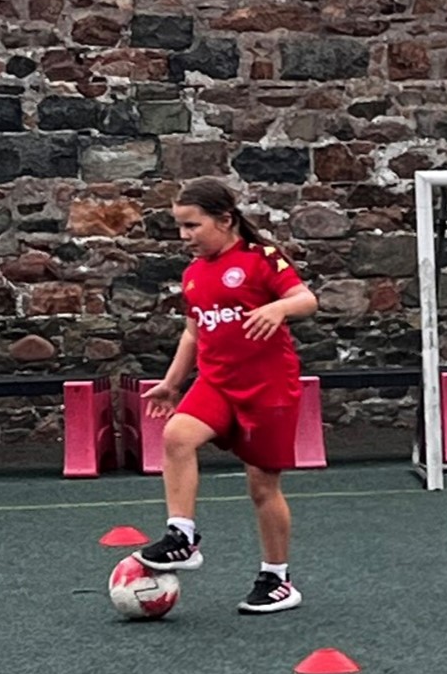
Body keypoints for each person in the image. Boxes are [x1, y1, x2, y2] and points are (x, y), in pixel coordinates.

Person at [134, 177, 319, 614]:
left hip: (268, 386)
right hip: (216, 382)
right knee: (177, 435)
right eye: (179, 227)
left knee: (262, 486)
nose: (184, 237)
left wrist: (278, 307)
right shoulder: (194, 274)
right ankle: (182, 536)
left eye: (192, 226)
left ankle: (277, 579)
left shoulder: (260, 259)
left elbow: (306, 299)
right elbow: (193, 332)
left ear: (225, 220)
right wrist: (172, 382)